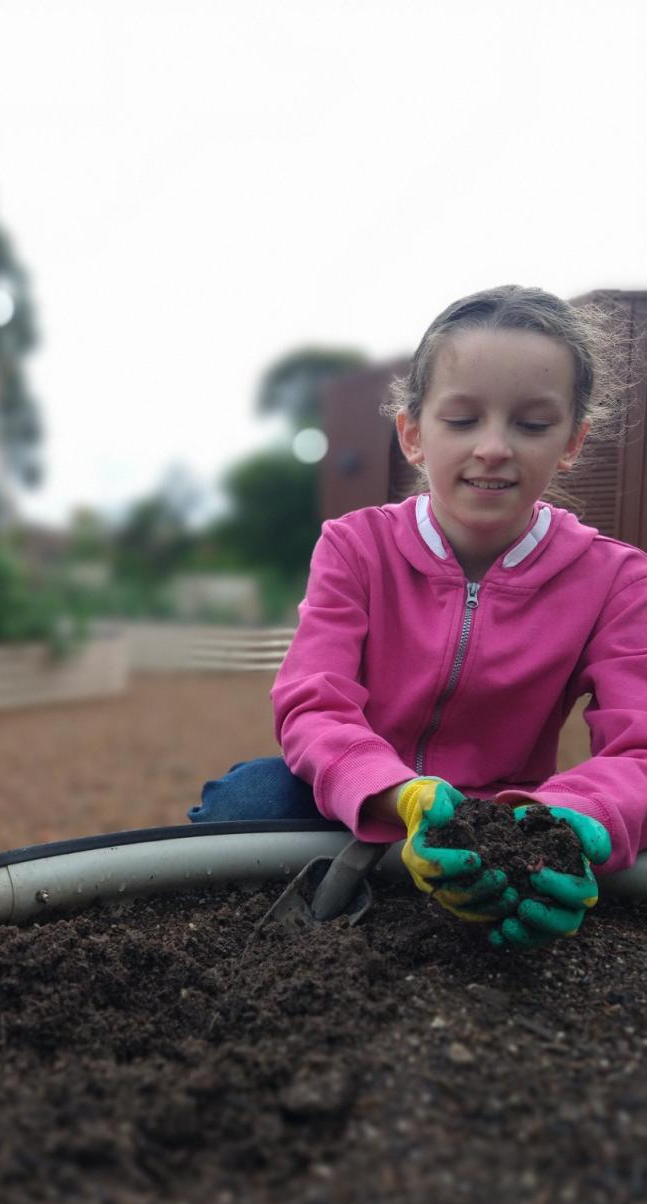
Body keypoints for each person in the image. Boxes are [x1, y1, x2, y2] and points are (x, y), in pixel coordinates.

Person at [189, 285, 647, 950]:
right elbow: (313, 704)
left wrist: (563, 824)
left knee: (613, 844)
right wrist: (398, 794)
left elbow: (638, 750)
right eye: (462, 420)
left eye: (532, 423)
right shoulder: (354, 546)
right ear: (413, 433)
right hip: (364, 799)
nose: (494, 447)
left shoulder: (616, 579)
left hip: (498, 820)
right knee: (248, 800)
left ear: (573, 441)